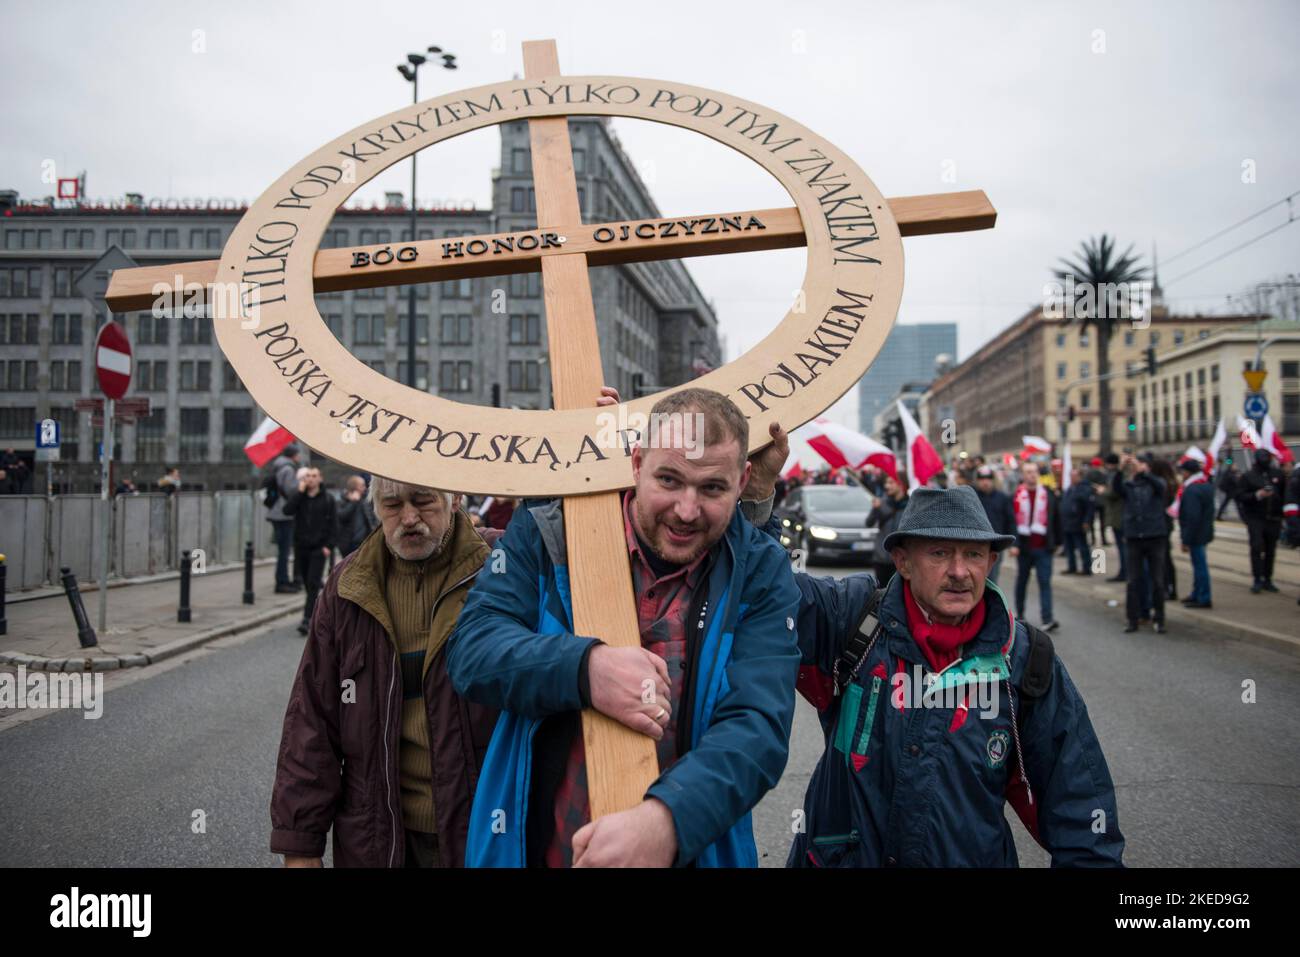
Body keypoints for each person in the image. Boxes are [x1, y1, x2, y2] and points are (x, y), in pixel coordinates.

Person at [447, 388, 801, 867]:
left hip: (690, 848)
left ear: (742, 483)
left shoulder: (761, 571)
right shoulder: (548, 532)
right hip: (539, 845)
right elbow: (472, 650)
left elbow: (758, 725)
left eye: (712, 488)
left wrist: (668, 821)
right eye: (669, 480)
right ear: (637, 464)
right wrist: (583, 668)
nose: (686, 510)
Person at [270, 387, 618, 869]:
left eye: (422, 500)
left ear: (455, 497)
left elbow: (592, 557)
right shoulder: (348, 587)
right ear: (375, 507)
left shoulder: (507, 564)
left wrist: (592, 443)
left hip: (486, 831)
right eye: (393, 505)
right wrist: (299, 844)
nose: (409, 518)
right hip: (380, 839)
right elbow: (312, 721)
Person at [740, 430, 1124, 866]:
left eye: (974, 555)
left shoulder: (1024, 658)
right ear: (902, 561)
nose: (960, 572)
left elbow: (1079, 804)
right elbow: (764, 587)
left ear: (991, 562)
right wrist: (757, 494)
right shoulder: (852, 617)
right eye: (940, 553)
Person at [1113, 452, 1168, 633]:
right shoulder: (1129, 485)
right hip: (1134, 537)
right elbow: (1115, 488)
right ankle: (1132, 619)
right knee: (1133, 581)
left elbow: (1161, 488)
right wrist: (1121, 469)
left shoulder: (1156, 483)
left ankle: (1159, 618)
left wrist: (1145, 473)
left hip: (1155, 536)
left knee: (1158, 581)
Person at [282, 466, 337, 636]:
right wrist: (299, 493)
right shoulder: (300, 498)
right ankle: (316, 610)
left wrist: (328, 546)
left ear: (320, 478)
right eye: (307, 476)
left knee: (313, 583)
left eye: (314, 476)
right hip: (301, 547)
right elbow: (287, 510)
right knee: (306, 582)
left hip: (319, 548)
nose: (310, 479)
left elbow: (333, 524)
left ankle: (307, 619)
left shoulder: (328, 499)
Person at [1012, 461, 1060, 632]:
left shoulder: (1047, 494)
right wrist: (1014, 543)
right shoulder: (1016, 495)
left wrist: (1057, 543)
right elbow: (1012, 522)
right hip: (1024, 548)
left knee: (1044, 582)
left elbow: (1056, 518)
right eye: (1028, 472)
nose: (1031, 475)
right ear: (1023, 475)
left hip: (1043, 548)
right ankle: (1020, 615)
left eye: (1034, 472)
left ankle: (1047, 618)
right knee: (1022, 582)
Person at [1235, 449, 1285, 593]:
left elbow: (1284, 493)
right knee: (1256, 547)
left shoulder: (1277, 474)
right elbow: (1240, 495)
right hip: (1256, 517)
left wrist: (1283, 513)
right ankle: (1257, 578)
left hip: (1273, 518)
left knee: (1271, 550)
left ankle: (1268, 578)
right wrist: (1257, 495)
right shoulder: (1248, 476)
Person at [1175, 458, 1215, 609]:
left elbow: (1192, 517)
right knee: (1199, 565)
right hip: (1204, 532)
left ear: (1187, 472)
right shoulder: (1205, 485)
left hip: (1196, 534)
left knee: (1199, 566)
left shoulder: (1192, 489)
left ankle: (1203, 597)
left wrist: (1185, 539)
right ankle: (1197, 593)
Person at [264, 444, 303, 593]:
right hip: (283, 515)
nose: (299, 457)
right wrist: (301, 485)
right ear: (293, 455)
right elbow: (291, 490)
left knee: (283, 550)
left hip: (277, 513)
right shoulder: (287, 469)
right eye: (298, 454)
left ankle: (283, 580)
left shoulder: (279, 466)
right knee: (284, 551)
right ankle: (282, 582)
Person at [973, 465, 1015, 586]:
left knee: (991, 579)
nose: (985, 482)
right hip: (975, 542)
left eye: (988, 479)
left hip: (995, 545)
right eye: (982, 479)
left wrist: (1014, 544)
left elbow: (1010, 520)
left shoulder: (1002, 498)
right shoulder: (972, 497)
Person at [866, 473, 909, 586]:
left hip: (901, 560)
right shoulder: (882, 502)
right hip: (881, 558)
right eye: (886, 482)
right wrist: (876, 509)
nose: (887, 486)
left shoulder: (910, 506)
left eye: (891, 483)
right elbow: (868, 523)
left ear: (901, 485)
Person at [1059, 468, 1096, 576]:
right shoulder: (1070, 488)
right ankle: (1072, 566)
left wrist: (1086, 521)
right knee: (1069, 547)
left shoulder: (1085, 489)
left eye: (1074, 476)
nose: (1072, 478)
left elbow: (1089, 508)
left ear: (1080, 476)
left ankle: (1086, 567)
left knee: (1082, 546)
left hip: (1078, 522)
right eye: (1071, 475)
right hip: (1067, 522)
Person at [336, 474, 378, 557]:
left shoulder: (367, 500)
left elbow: (372, 518)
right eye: (362, 485)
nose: (365, 487)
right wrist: (353, 502)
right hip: (348, 543)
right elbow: (341, 516)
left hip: (365, 542)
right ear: (354, 487)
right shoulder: (344, 499)